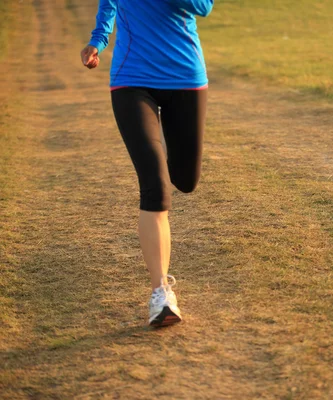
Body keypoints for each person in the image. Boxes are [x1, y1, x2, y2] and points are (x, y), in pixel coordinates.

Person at [80, 0, 214, 327]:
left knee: (185, 179)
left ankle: (161, 159)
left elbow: (203, 7)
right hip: (132, 77)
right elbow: (108, 4)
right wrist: (98, 39)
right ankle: (161, 294)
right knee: (155, 187)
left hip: (184, 76)